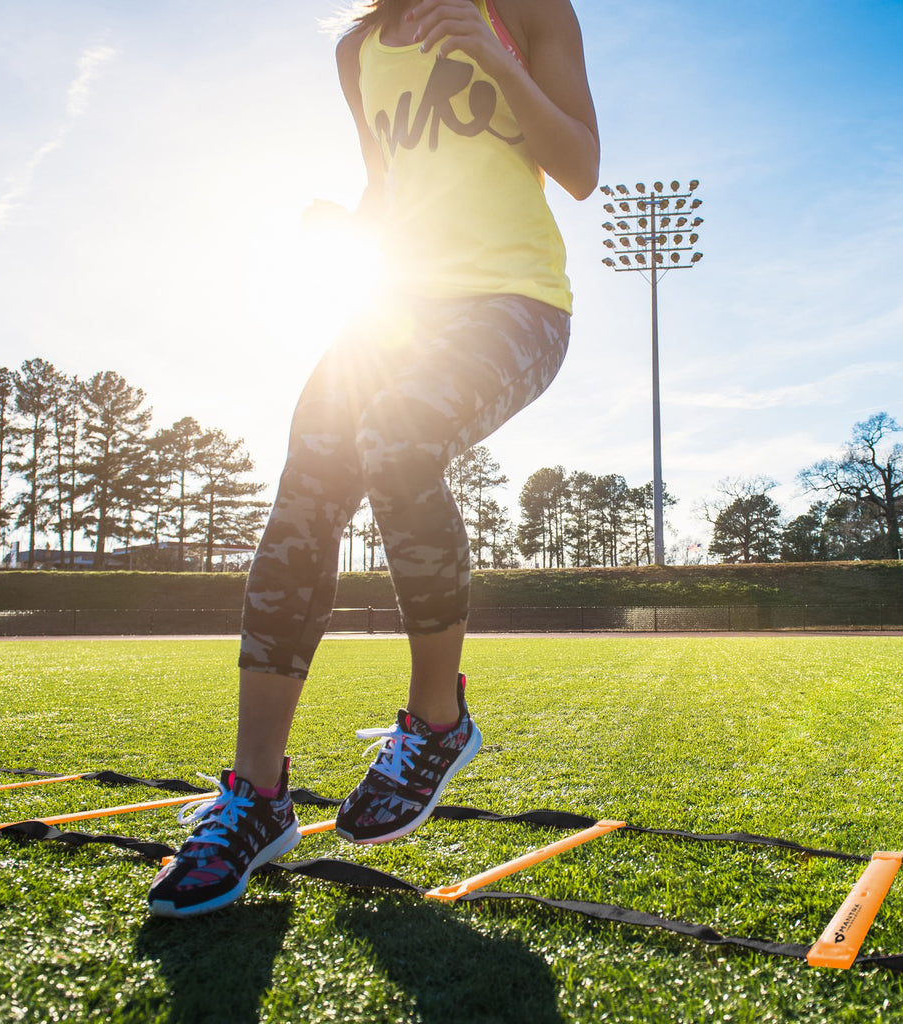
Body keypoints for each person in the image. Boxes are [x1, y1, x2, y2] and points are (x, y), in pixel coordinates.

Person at [148, 0, 598, 917]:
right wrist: (351, 235)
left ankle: (438, 720)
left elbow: (582, 169)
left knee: (398, 435)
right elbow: (391, 194)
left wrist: (497, 57)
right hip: (396, 311)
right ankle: (256, 799)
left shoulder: (527, 10)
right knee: (302, 504)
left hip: (515, 305)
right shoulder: (357, 52)